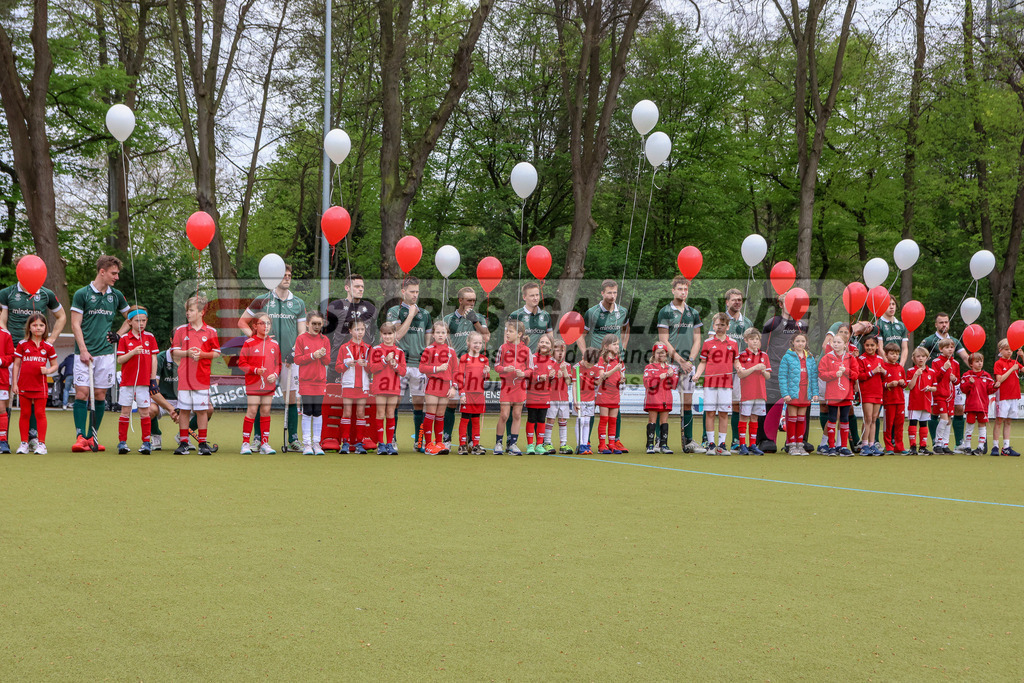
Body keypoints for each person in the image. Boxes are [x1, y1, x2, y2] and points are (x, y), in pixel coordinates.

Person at [238, 263, 306, 450]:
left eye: (289, 275)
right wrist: (255, 340)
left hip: (289, 361)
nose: (287, 278)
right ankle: (258, 439)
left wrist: (295, 352)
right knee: (260, 400)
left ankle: (293, 439)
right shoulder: (262, 299)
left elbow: (302, 331)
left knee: (291, 398)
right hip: (265, 361)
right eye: (283, 275)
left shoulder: (298, 303)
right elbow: (242, 321)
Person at [69, 255, 131, 452]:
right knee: (82, 393)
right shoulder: (82, 294)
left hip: (106, 355)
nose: (116, 277)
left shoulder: (116, 296)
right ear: (102, 272)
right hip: (84, 353)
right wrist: (84, 350)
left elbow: (131, 318)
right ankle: (80, 436)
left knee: (100, 394)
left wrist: (119, 334)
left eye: (117, 273)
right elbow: (75, 324)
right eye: (113, 273)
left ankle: (91, 437)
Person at [1, 264, 66, 449]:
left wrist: (52, 338)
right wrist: (7, 339)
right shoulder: (7, 293)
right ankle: (3, 439)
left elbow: (61, 316)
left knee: (34, 396)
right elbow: (2, 319)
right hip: (14, 349)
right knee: (7, 395)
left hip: (36, 352)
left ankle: (32, 437)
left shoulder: (46, 293)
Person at [324, 273, 378, 450]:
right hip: (338, 362)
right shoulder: (335, 306)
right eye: (356, 286)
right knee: (336, 404)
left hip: (364, 363)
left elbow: (372, 333)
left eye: (362, 286)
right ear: (347, 287)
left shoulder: (369, 307)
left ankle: (359, 440)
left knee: (362, 406)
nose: (360, 289)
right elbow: (328, 332)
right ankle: (333, 439)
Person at [581, 280, 631, 452]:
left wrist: (622, 347)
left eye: (615, 293)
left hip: (617, 363)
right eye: (609, 293)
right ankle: (586, 441)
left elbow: (626, 329)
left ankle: (614, 440)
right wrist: (586, 353)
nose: (612, 296)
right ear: (602, 293)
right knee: (592, 403)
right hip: (597, 364)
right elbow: (582, 335)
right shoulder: (592, 312)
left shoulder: (622, 311)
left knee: (615, 402)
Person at [385, 277, 432, 451]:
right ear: (403, 291)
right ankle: (393, 440)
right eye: (412, 291)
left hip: (418, 365)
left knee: (419, 404)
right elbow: (397, 335)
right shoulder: (394, 311)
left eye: (417, 292)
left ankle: (418, 441)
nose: (415, 295)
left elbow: (428, 342)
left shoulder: (426, 314)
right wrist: (411, 315)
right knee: (395, 402)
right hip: (400, 364)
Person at [656, 276, 702, 452]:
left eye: (686, 289)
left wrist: (689, 361)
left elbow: (698, 339)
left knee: (687, 403)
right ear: (673, 290)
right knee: (664, 402)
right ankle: (661, 441)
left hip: (688, 364)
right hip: (670, 363)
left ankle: (688, 441)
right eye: (680, 289)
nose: (683, 292)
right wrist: (680, 361)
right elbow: (663, 340)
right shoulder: (665, 311)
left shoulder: (693, 313)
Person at [171, 295, 220, 455]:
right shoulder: (180, 330)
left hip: (201, 378)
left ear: (201, 312)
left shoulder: (211, 331)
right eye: (187, 310)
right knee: (184, 410)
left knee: (201, 410)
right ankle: (184, 443)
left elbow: (217, 353)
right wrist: (187, 353)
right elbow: (174, 351)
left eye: (191, 310)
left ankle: (203, 444)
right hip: (185, 378)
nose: (188, 313)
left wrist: (202, 355)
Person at [759, 293, 809, 452]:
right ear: (780, 305)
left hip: (795, 373)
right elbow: (762, 347)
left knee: (799, 405)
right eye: (787, 302)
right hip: (774, 371)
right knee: (769, 406)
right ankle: (765, 439)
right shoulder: (772, 323)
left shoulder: (801, 325)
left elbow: (805, 348)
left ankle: (799, 440)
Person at [444, 286, 490, 449]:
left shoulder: (479, 318)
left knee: (471, 405)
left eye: (474, 300)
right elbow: (445, 339)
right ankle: (447, 439)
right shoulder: (449, 318)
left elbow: (486, 336)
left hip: (474, 368)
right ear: (460, 300)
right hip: (456, 366)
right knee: (451, 403)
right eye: (468, 300)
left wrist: (474, 321)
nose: (472, 303)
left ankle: (471, 440)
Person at [919, 313, 971, 452]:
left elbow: (965, 356)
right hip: (936, 383)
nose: (944, 325)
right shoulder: (930, 340)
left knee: (956, 411)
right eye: (941, 322)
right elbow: (918, 354)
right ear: (936, 324)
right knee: (936, 413)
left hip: (951, 385)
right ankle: (937, 442)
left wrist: (975, 367)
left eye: (946, 322)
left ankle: (956, 443)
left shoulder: (954, 340)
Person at [694, 313, 740, 455]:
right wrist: (697, 375)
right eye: (717, 325)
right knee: (710, 412)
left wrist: (739, 368)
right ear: (713, 326)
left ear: (727, 326)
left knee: (724, 413)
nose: (719, 327)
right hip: (710, 383)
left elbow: (736, 361)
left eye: (722, 325)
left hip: (726, 384)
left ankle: (722, 444)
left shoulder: (733, 343)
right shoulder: (708, 343)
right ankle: (711, 444)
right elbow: (703, 362)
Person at [114, 306, 158, 455]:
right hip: (127, 381)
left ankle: (146, 442)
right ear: (130, 322)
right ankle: (122, 443)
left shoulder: (150, 337)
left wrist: (153, 379)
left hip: (144, 382)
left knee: (145, 412)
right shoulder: (125, 339)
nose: (141, 324)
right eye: (137, 320)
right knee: (125, 411)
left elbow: (153, 358)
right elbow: (120, 359)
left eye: (144, 320)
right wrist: (132, 352)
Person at [11, 313, 56, 454]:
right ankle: (24, 443)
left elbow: (55, 365)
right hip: (24, 385)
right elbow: (16, 365)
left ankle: (41, 444)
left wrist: (48, 370)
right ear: (29, 328)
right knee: (24, 414)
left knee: (39, 414)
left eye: (41, 325)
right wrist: (14, 383)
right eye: (35, 325)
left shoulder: (48, 346)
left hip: (40, 386)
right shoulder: (22, 344)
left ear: (45, 327)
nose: (38, 328)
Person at [237, 312, 282, 454]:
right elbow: (242, 364)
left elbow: (278, 364)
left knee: (266, 411)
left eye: (268, 323)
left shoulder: (274, 344)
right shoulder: (249, 343)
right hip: (253, 383)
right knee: (252, 411)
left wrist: (274, 374)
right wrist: (255, 370)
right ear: (255, 326)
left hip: (268, 385)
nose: (266, 326)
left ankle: (265, 444)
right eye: (262, 323)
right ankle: (245, 444)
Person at [293, 311, 332, 455]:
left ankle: (317, 443)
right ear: (308, 324)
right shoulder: (301, 339)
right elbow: (297, 359)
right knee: (307, 411)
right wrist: (312, 355)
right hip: (306, 381)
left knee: (317, 412)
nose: (316, 327)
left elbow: (327, 361)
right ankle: (307, 443)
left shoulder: (325, 340)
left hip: (320, 381)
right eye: (314, 323)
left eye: (319, 324)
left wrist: (321, 356)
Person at [419, 320, 459, 455]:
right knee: (430, 413)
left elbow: (455, 371)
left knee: (440, 414)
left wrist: (454, 387)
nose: (440, 335)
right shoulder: (429, 350)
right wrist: (437, 368)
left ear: (447, 334)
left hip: (446, 386)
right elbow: (422, 367)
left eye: (443, 332)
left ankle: (439, 442)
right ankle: (429, 444)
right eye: (438, 332)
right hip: (433, 384)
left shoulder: (451, 352)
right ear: (433, 335)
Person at [493, 320, 530, 455]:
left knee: (517, 414)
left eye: (511, 331)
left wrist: (523, 373)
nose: (507, 333)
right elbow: (496, 367)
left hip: (519, 387)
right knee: (504, 415)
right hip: (506, 387)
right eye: (506, 331)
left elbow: (530, 369)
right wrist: (505, 369)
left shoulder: (526, 350)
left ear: (519, 334)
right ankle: (498, 443)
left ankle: (513, 444)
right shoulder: (502, 348)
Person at [335, 319, 372, 454]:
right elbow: (337, 367)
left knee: (360, 413)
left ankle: (359, 443)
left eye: (362, 329)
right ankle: (345, 443)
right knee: (347, 413)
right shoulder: (344, 348)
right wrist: (346, 365)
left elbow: (372, 368)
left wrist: (366, 365)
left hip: (362, 385)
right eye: (357, 329)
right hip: (348, 385)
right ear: (350, 331)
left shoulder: (368, 348)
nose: (360, 332)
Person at [369, 322, 406, 454]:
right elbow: (371, 368)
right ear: (381, 334)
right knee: (380, 414)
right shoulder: (376, 349)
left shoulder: (399, 352)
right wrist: (384, 360)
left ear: (395, 334)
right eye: (385, 334)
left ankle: (390, 443)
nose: (387, 336)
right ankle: (381, 444)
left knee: (390, 414)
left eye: (390, 333)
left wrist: (395, 365)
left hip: (393, 387)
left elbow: (403, 371)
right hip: (379, 387)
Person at [818, 334, 858, 456]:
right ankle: (831, 447)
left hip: (846, 394)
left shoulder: (850, 359)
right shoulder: (826, 358)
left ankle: (843, 447)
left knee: (845, 419)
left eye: (839, 342)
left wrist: (846, 371)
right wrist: (835, 374)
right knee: (832, 419)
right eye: (834, 342)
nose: (836, 344)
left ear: (845, 345)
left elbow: (856, 375)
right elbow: (822, 374)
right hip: (833, 394)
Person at [724, 288, 752, 450]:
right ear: (727, 302)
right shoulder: (721, 320)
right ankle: (708, 439)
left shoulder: (746, 322)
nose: (737, 302)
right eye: (734, 300)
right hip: (722, 369)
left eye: (740, 300)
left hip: (740, 371)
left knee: (737, 405)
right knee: (714, 406)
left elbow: (752, 344)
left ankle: (736, 440)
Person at [736, 328, 771, 455]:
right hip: (747, 392)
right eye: (752, 339)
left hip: (760, 392)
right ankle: (742, 444)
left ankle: (752, 444)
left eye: (757, 339)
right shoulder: (742, 356)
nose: (755, 342)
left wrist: (762, 371)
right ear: (746, 340)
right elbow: (741, 374)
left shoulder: (764, 356)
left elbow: (768, 376)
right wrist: (755, 367)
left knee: (755, 417)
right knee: (744, 416)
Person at [454, 331, 488, 455]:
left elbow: (486, 378)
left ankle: (475, 445)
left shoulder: (484, 359)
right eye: (475, 342)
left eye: (480, 343)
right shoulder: (464, 359)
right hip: (467, 394)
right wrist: (462, 393)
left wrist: (486, 373)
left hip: (478, 395)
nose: (478, 345)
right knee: (465, 419)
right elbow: (459, 377)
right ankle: (462, 445)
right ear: (468, 343)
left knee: (476, 419)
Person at [524, 333, 557, 455]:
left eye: (547, 343)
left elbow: (553, 381)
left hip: (545, 396)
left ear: (551, 347)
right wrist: (538, 378)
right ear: (538, 344)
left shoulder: (553, 362)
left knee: (542, 420)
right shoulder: (531, 358)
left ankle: (539, 445)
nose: (544, 344)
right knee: (531, 419)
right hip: (532, 395)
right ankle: (530, 445)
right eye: (542, 342)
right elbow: (527, 375)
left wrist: (553, 377)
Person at [643, 342, 677, 454]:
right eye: (658, 352)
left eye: (663, 352)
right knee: (652, 421)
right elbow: (648, 383)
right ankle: (650, 444)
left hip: (666, 398)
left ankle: (664, 445)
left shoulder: (670, 368)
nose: (661, 355)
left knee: (664, 421)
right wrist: (659, 377)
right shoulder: (649, 367)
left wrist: (672, 376)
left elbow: (674, 385)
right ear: (654, 354)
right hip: (653, 398)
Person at [960, 351, 996, 455]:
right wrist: (969, 383)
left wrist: (995, 386)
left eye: (981, 361)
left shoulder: (987, 376)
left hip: (983, 407)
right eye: (977, 361)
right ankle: (967, 446)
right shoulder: (967, 375)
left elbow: (990, 390)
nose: (979, 363)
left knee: (982, 426)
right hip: (971, 406)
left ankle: (980, 447)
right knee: (970, 426)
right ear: (971, 364)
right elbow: (963, 389)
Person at [992, 339, 1024, 456]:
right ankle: (995, 446)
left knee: (1009, 422)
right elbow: (999, 379)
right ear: (1000, 350)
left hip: (1014, 396)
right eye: (1006, 350)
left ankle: (1006, 447)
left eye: (1011, 350)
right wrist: (1011, 369)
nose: (1009, 352)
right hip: (1003, 396)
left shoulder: (1014, 362)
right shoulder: (999, 363)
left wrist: (1022, 356)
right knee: (999, 421)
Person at [929, 338, 961, 453]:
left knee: (949, 420)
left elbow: (957, 381)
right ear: (941, 349)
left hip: (951, 395)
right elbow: (935, 378)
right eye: (947, 347)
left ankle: (945, 444)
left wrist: (955, 379)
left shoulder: (956, 363)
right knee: (943, 419)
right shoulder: (936, 362)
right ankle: (937, 443)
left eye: (952, 347)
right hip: (940, 394)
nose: (950, 349)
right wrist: (944, 369)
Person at [595, 334, 624, 455]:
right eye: (614, 344)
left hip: (615, 393)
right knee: (604, 419)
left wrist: (622, 378)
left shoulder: (619, 359)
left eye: (618, 344)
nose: (617, 346)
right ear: (606, 346)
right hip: (604, 393)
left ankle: (611, 444)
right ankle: (602, 445)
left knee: (613, 420)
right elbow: (602, 376)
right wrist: (615, 370)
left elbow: (622, 374)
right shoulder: (602, 359)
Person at [544, 339, 574, 455]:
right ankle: (547, 442)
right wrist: (555, 376)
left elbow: (568, 382)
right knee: (550, 419)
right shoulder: (549, 363)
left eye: (562, 351)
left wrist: (565, 372)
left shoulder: (567, 365)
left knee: (563, 420)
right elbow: (547, 380)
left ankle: (563, 444)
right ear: (552, 351)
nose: (560, 353)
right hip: (552, 397)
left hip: (564, 399)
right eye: (557, 351)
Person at [857, 336, 885, 456]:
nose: (870, 347)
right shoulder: (861, 359)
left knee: (874, 419)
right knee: (867, 419)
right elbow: (860, 376)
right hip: (867, 392)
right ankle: (864, 445)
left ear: (877, 346)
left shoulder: (880, 358)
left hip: (878, 392)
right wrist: (872, 372)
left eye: (872, 345)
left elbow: (884, 376)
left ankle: (872, 444)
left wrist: (884, 372)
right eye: (867, 345)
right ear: (864, 346)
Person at [906, 346, 937, 455]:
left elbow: (935, 387)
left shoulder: (932, 372)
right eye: (918, 356)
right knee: (913, 423)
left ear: (927, 358)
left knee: (924, 424)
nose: (921, 359)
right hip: (915, 402)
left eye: (923, 356)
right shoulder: (911, 371)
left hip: (926, 402)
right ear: (913, 358)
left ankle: (923, 446)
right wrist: (916, 375)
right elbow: (910, 386)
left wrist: (930, 388)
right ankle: (913, 446)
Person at [508, 282, 552, 353]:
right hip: (521, 358)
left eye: (537, 295)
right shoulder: (515, 315)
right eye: (532, 296)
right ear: (524, 297)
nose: (535, 298)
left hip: (540, 360)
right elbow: (507, 340)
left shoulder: (546, 315)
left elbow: (551, 340)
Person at [880, 342, 908, 455]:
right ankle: (889, 446)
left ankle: (899, 446)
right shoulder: (883, 367)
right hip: (889, 401)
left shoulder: (900, 368)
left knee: (900, 425)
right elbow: (880, 384)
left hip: (900, 400)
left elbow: (905, 384)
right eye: (892, 354)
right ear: (886, 355)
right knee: (888, 425)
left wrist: (902, 383)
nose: (895, 356)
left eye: (897, 354)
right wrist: (888, 385)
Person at [573, 348, 600, 454]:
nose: (589, 367)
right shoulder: (576, 368)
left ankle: (585, 444)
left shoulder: (596, 368)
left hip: (590, 398)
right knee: (581, 421)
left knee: (587, 421)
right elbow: (574, 385)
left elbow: (597, 384)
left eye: (591, 364)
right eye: (588, 364)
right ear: (583, 358)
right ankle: (579, 444)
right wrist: (575, 401)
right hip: (580, 398)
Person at [876, 297, 909, 366]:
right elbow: (880, 349)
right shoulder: (878, 324)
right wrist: (888, 364)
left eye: (893, 304)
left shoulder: (901, 325)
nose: (891, 307)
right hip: (884, 364)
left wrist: (901, 364)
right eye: (888, 304)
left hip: (898, 365)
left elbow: (904, 348)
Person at [0, 325, 13, 453]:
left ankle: (2, 441)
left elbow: (10, 356)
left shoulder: (5, 334)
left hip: (1, 379)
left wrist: (0, 361)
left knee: (1, 409)